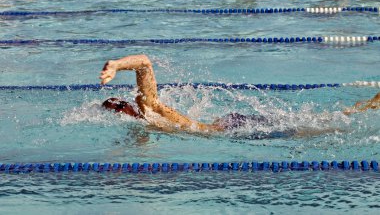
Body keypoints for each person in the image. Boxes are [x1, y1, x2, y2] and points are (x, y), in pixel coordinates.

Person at [100, 54, 380, 135]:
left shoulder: (148, 111)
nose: (124, 110)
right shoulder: (146, 117)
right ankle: (367, 106)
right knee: (313, 121)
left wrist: (116, 64)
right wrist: (116, 66)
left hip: (229, 129)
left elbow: (146, 63)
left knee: (315, 128)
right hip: (228, 122)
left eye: (119, 109)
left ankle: (369, 107)